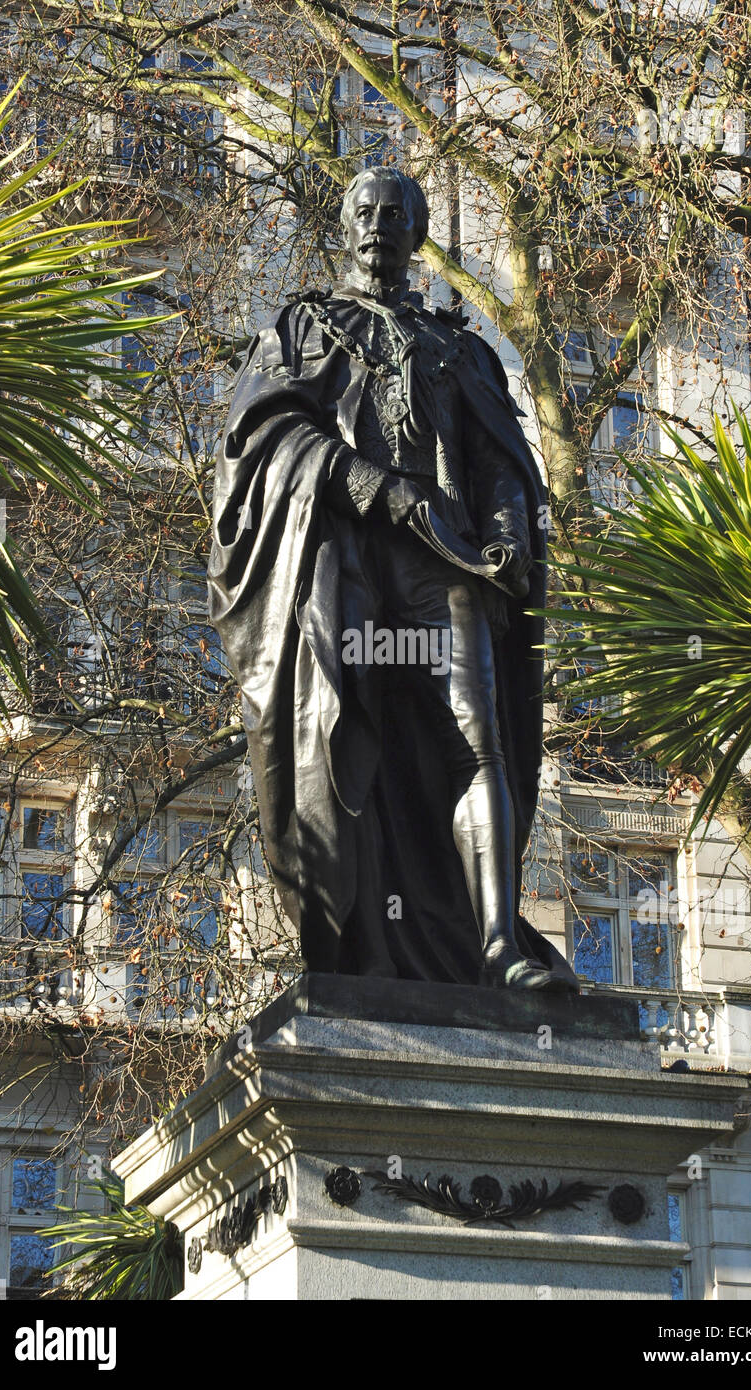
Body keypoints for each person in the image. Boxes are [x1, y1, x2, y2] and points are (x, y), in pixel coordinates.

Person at [208, 165, 578, 991]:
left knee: (475, 744)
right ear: (346, 228)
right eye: (364, 212)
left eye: (394, 214)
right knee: (344, 743)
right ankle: (360, 947)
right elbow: (265, 439)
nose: (378, 225)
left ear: (417, 233)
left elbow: (500, 461)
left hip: (444, 565)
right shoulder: (301, 328)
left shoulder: (460, 346)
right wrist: (376, 488)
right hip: (340, 565)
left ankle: (497, 947)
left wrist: (511, 533)